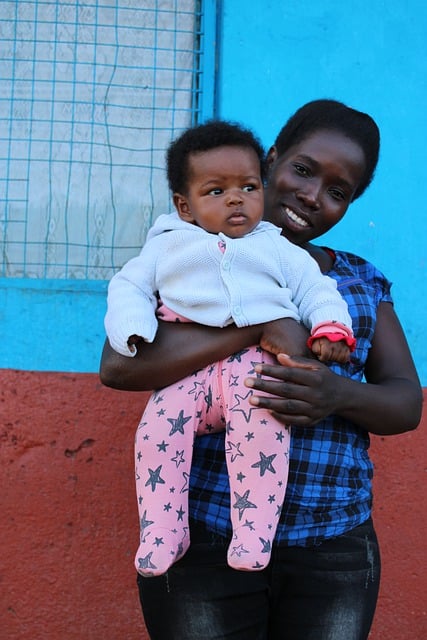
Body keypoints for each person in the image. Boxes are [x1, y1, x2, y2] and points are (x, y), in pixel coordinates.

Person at [100, 100, 423, 640]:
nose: (311, 195)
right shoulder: (186, 255)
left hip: (332, 542)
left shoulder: (359, 282)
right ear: (271, 159)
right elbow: (118, 365)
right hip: (206, 535)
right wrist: (256, 327)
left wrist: (334, 394)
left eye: (338, 192)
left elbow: (406, 402)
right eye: (302, 169)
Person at [104, 120, 356, 576]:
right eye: (215, 192)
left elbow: (317, 290)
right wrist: (133, 327)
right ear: (185, 206)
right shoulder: (167, 246)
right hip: (187, 373)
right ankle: (163, 532)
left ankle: (253, 536)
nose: (236, 199)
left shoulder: (278, 249)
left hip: (253, 371)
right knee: (156, 435)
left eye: (247, 186)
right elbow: (128, 287)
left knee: (262, 433)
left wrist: (331, 327)